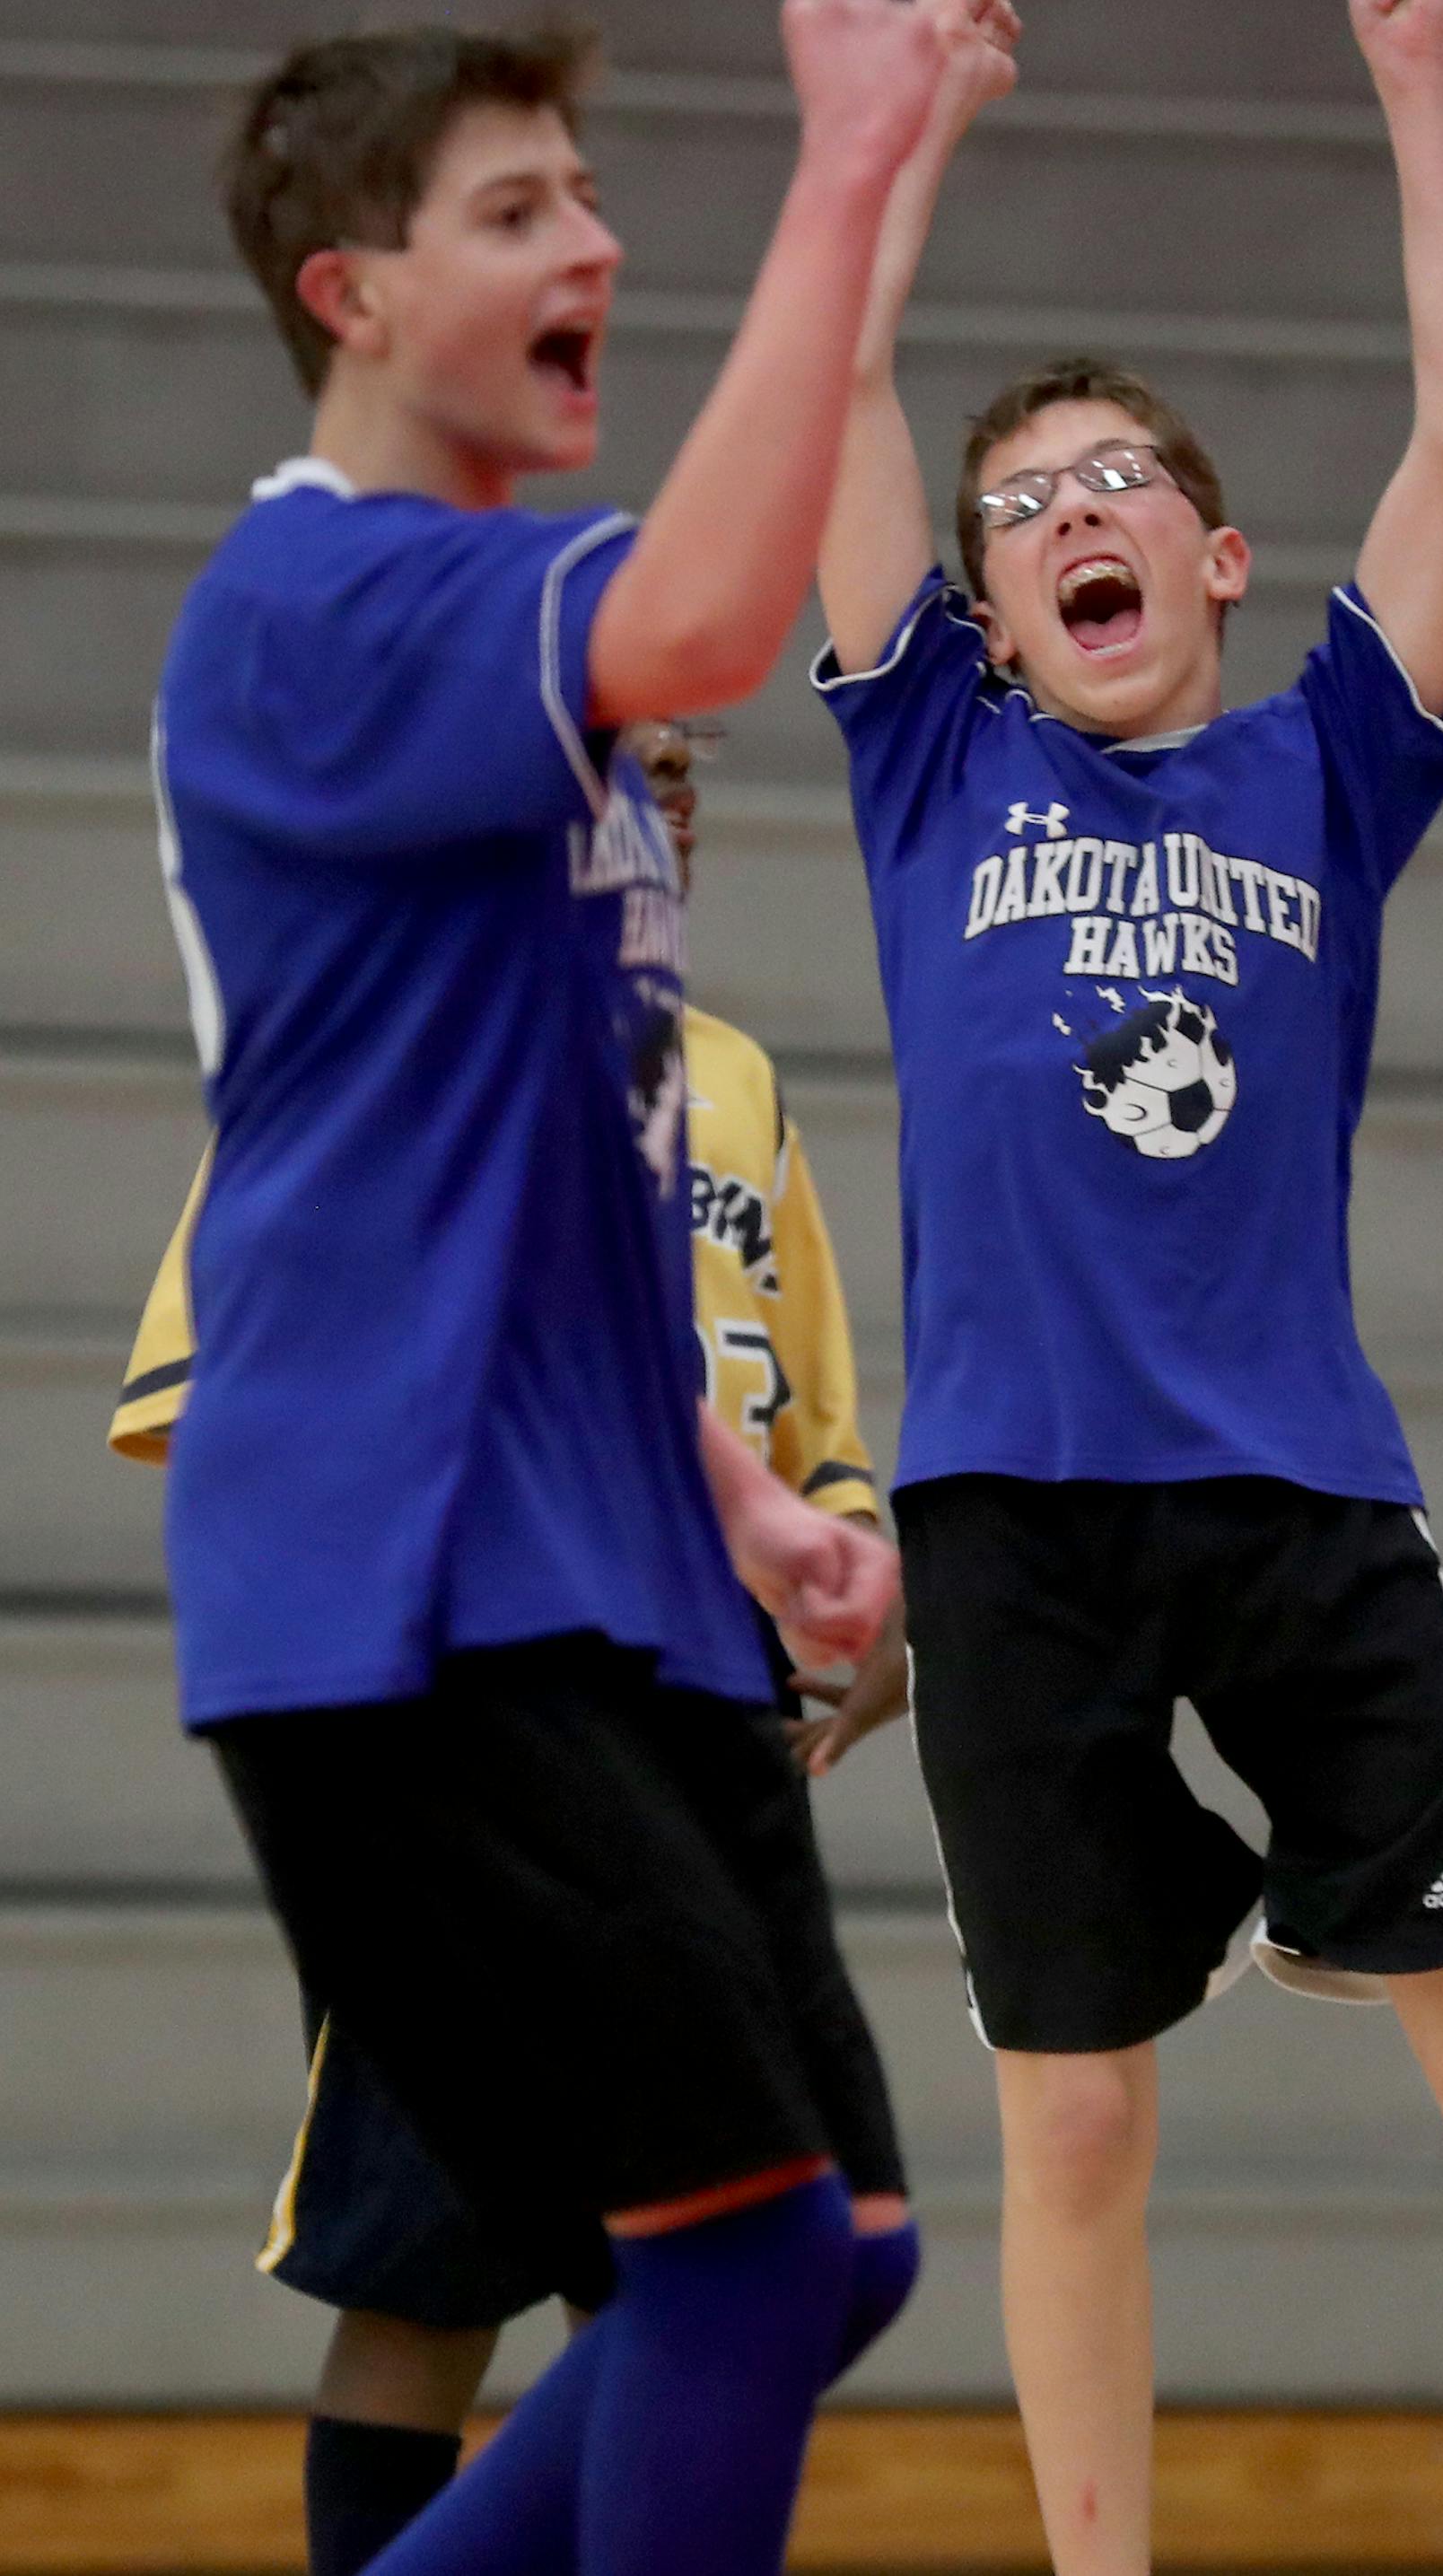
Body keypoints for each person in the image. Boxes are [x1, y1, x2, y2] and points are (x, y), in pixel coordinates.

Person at [811, 4, 1443, 2572]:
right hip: (1014, 1517)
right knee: (1072, 2107)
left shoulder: (1325, 753)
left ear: (1210, 555)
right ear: (979, 605)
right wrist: (904, 126)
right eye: (1024, 504)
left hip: (1306, 1489)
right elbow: (840, 376)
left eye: (1122, 484)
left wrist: (1417, 80)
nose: (1072, 510)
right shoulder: (932, 763)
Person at [144, 9, 954, 2572]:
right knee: (723, 2260)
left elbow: (580, 1165)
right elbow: (720, 603)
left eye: (596, 197)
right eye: (522, 213)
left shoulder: (521, 672)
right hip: (406, 1580)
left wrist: (738, 1481)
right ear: (352, 291)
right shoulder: (318, 597)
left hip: (605, 1554)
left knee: (831, 2252)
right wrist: (851, 146)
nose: (594, 241)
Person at [111, 722, 918, 2576]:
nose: (661, 809)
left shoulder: (732, 1085)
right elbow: (216, 1384)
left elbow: (811, 1423)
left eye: (682, 781)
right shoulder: (366, 1029)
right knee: (432, 2260)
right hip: (473, 1688)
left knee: (749, 2262)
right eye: (616, 773)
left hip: (709, 1695)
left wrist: (854, 1558)